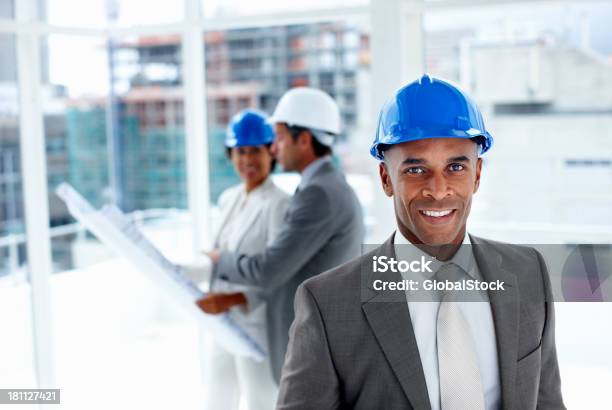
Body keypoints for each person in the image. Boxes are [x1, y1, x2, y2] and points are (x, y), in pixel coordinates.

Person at [276, 75, 565, 409]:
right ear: (386, 179)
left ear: (478, 174)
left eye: (456, 166)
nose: (438, 190)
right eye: (416, 170)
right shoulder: (328, 304)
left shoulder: (527, 272)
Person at [203, 87, 365, 383]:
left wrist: (220, 260)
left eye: (278, 138)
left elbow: (268, 270)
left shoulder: (318, 193)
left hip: (315, 345)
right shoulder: (323, 186)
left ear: (303, 140)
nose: (274, 149)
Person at [186, 109, 290, 410]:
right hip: (223, 322)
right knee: (217, 397)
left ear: (270, 153)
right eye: (240, 151)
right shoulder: (228, 198)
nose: (247, 160)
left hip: (256, 325)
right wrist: (177, 271)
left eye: (255, 151)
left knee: (261, 401)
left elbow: (276, 273)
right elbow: (219, 259)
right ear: (231, 155)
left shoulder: (280, 204)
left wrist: (232, 299)